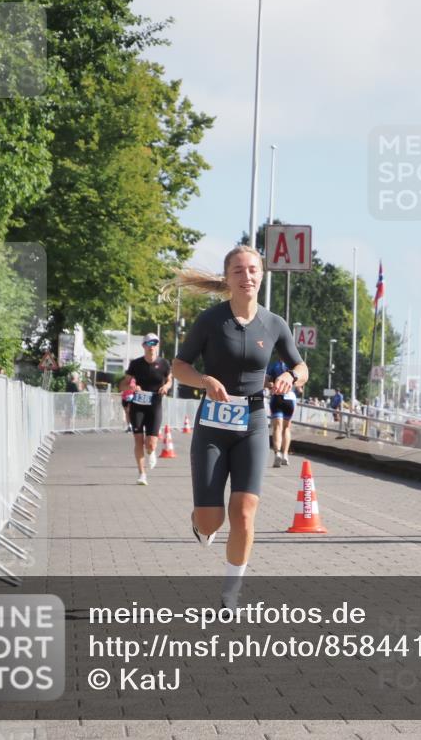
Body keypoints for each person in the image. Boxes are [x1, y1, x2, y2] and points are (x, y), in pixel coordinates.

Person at [170, 244, 307, 608]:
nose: (247, 276)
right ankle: (200, 522)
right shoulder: (211, 321)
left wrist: (291, 377)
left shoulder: (274, 324)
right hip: (213, 425)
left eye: (253, 270)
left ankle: (231, 592)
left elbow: (301, 366)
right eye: (238, 271)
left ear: (261, 276)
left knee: (244, 513)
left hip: (254, 424)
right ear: (228, 279)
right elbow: (179, 366)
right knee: (211, 522)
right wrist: (205, 381)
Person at [119, 334, 172, 485]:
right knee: (138, 439)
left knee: (151, 444)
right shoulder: (136, 364)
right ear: (143, 346)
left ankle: (151, 451)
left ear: (158, 346)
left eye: (154, 343)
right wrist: (131, 387)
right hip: (138, 407)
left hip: (155, 406)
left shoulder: (164, 364)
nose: (151, 346)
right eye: (148, 343)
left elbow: (169, 380)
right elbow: (123, 385)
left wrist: (166, 387)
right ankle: (142, 474)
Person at [266, 359, 298, 467]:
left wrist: (271, 385)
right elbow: (300, 383)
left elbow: (266, 381)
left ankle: (277, 454)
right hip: (290, 398)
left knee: (277, 428)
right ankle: (285, 455)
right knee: (286, 428)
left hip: (277, 397)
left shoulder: (274, 365)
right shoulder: (294, 364)